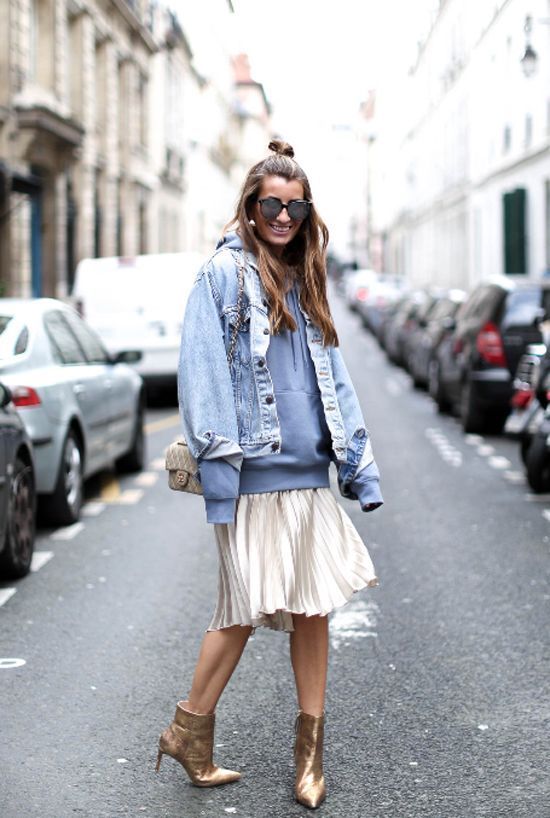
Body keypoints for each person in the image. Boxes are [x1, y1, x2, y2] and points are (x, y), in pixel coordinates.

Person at [156, 140, 383, 809]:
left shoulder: (305, 278)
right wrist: (221, 475)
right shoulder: (222, 277)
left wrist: (359, 467)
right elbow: (201, 379)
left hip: (310, 476)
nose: (283, 215)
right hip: (250, 473)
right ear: (251, 209)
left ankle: (309, 755)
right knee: (242, 610)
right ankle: (187, 731)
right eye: (271, 205)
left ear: (306, 212)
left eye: (295, 205)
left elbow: (334, 379)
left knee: (314, 608)